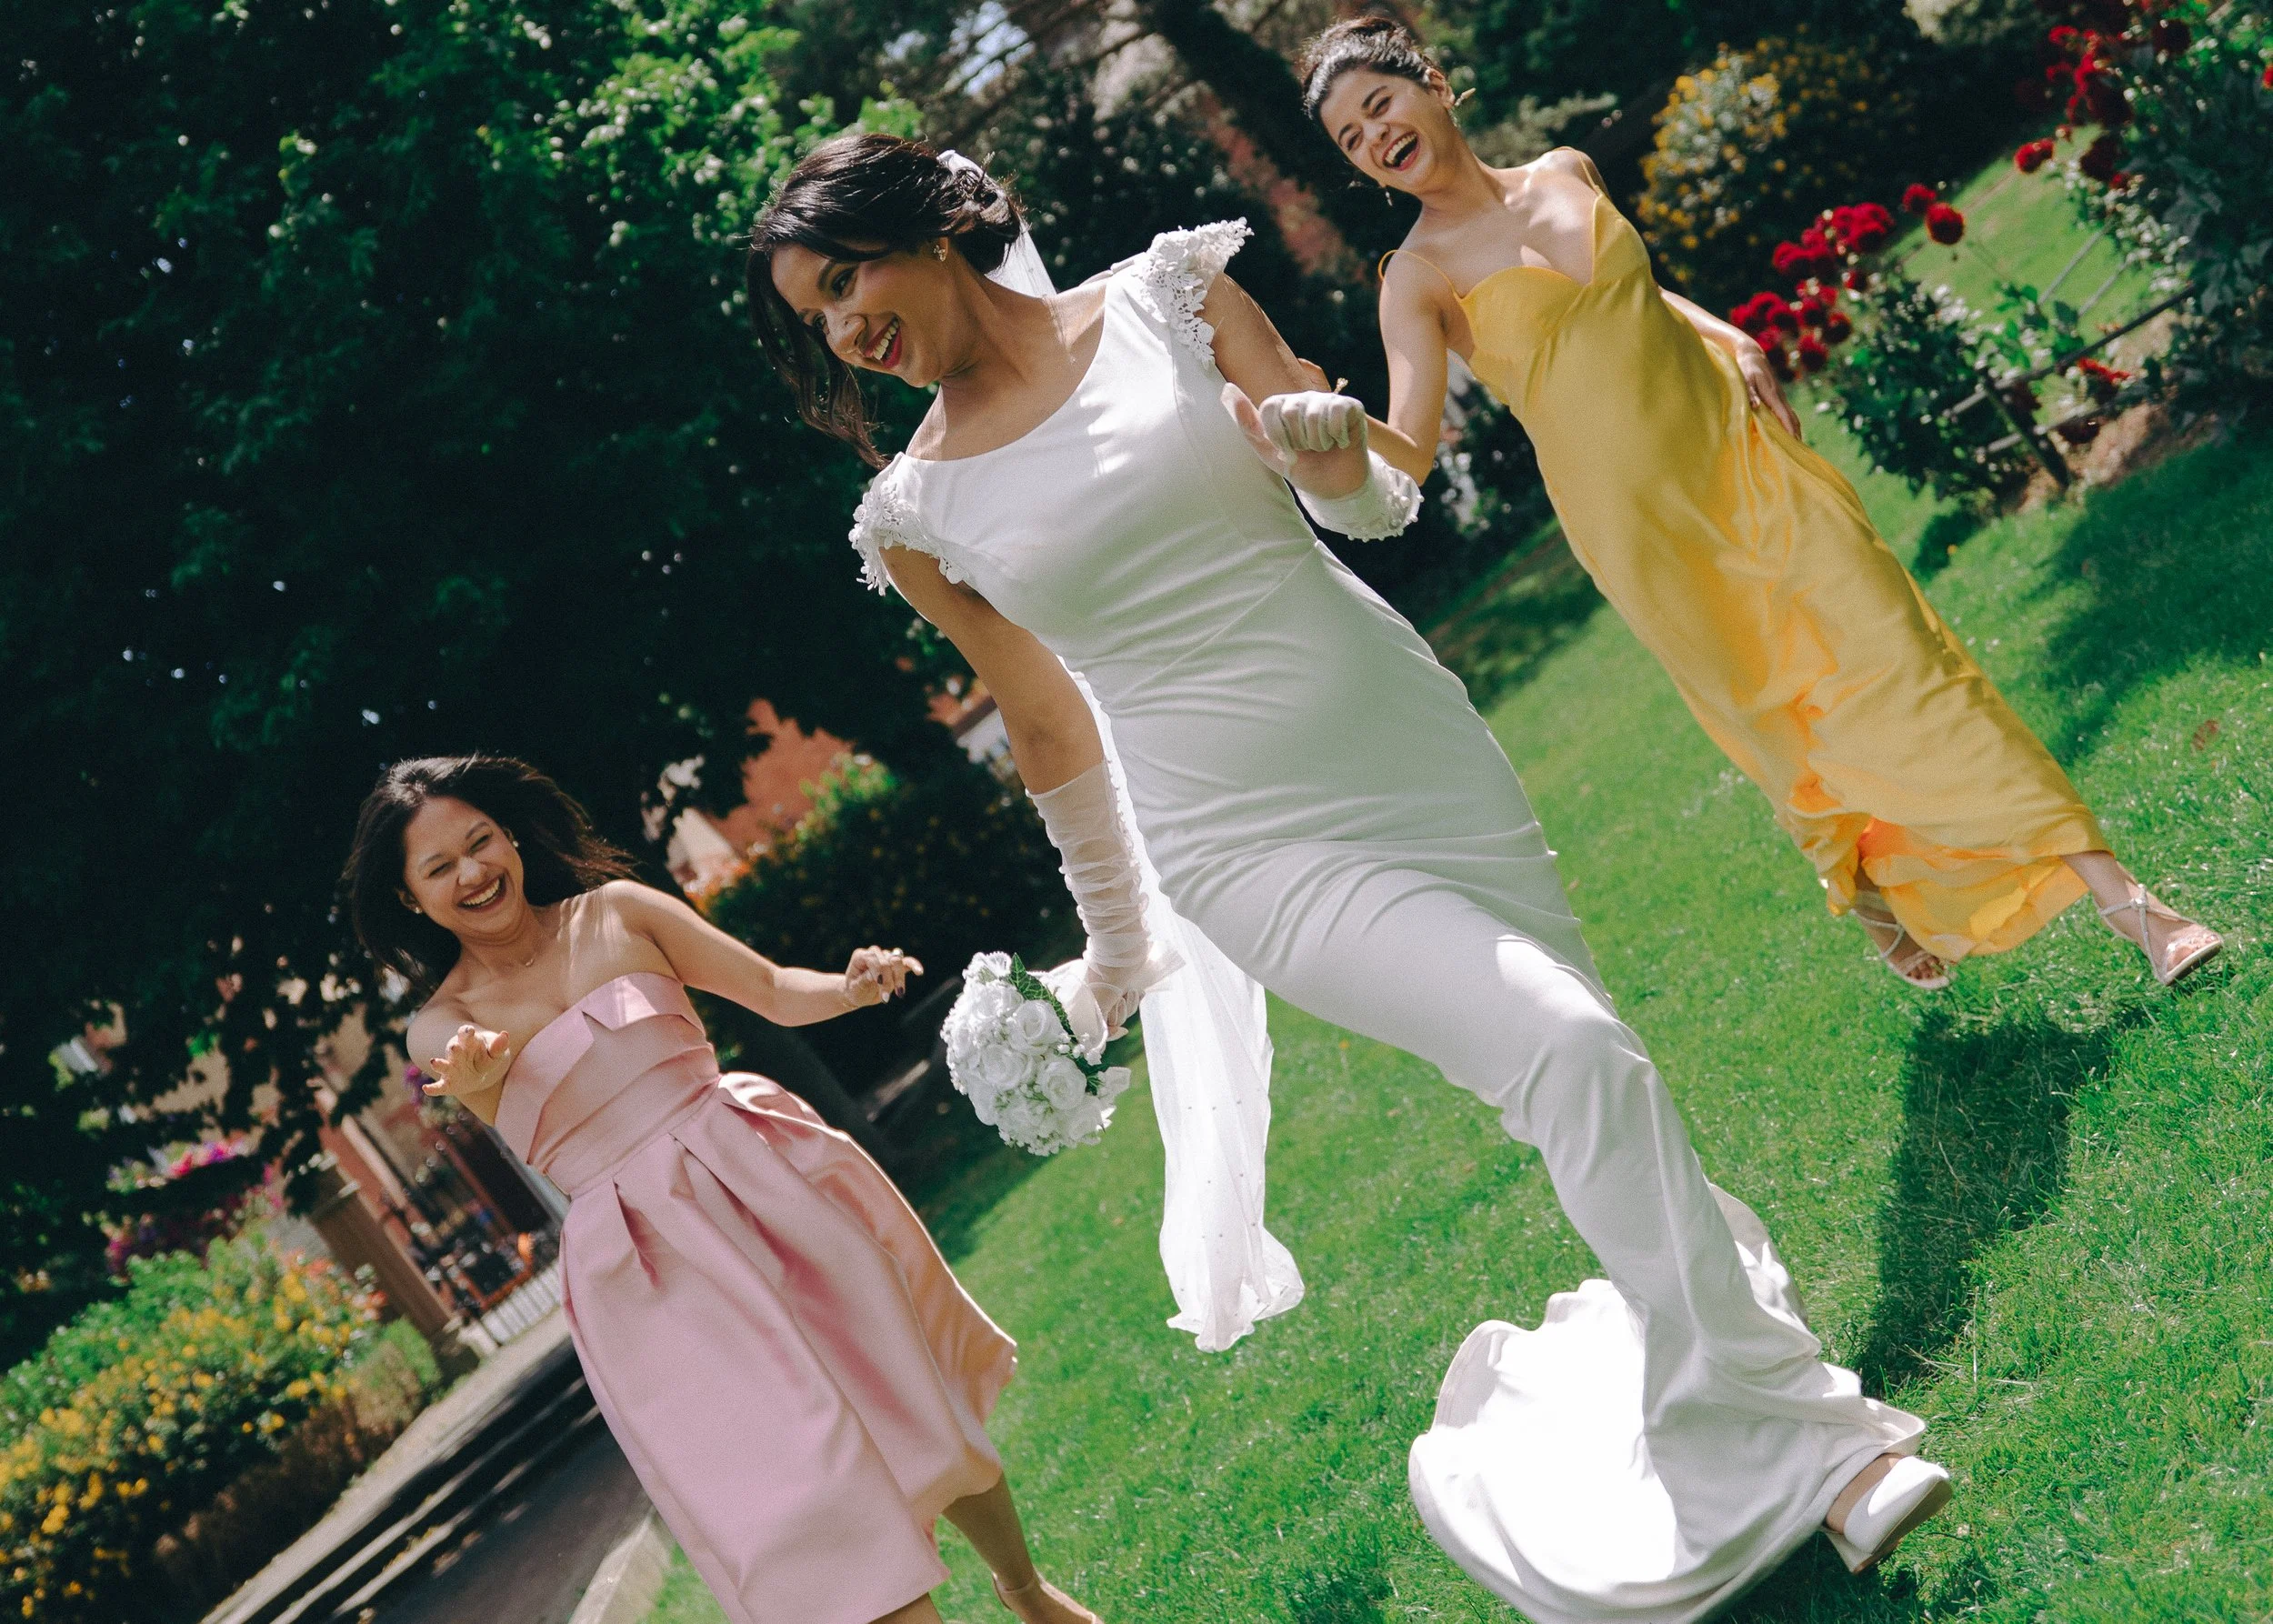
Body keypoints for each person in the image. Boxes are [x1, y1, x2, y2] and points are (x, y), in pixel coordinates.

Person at [747, 132, 1948, 1624]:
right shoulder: (918, 513)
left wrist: (1329, 458)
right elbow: (1050, 725)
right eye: (812, 318)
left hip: (1411, 748)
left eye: (843, 281)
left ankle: (1702, 1371)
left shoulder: (1172, 296)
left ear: (928, 229)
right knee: (1570, 1051)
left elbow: (1377, 501)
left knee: (1589, 1063)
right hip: (1245, 846)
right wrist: (1115, 953)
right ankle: (1818, 1442)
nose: (843, 330)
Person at [1297, 16, 2222, 993]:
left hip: (1744, 461)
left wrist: (1731, 336)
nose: (1375, 137)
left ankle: (2130, 904)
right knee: (1775, 719)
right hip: (1641, 532)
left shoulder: (1568, 170)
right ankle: (1862, 881)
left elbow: (1635, 294)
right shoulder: (1415, 279)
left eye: (1379, 104)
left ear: (1434, 83)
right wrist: (1331, 426)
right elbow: (1410, 446)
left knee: (1906, 660)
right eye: (1351, 139)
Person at [342, 754, 1099, 1624]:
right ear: (410, 898)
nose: (472, 872)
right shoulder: (441, 1026)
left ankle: (1027, 1593)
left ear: (511, 836)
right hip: (649, 1268)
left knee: (905, 1395)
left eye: (480, 842)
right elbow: (498, 1109)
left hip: (764, 1180)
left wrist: (849, 986)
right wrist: (480, 1082)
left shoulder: (620, 910)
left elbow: (771, 987)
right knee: (801, 1492)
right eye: (440, 867)